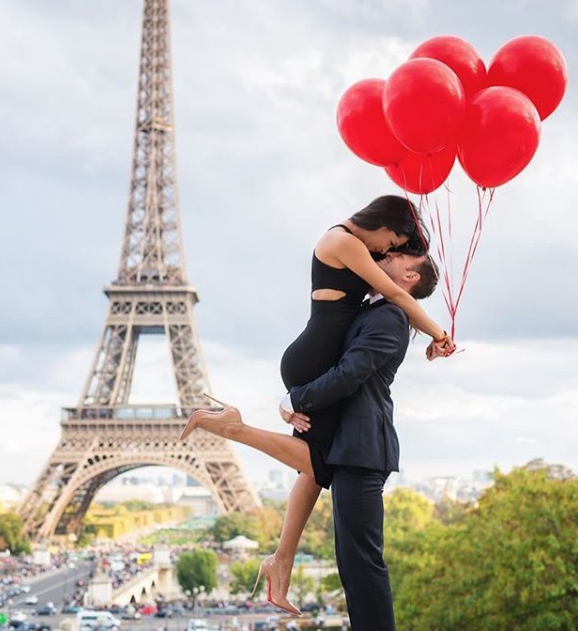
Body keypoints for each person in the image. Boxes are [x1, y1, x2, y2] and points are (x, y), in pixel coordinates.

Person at [179, 246, 440, 627]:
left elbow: (351, 372)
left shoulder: (390, 318)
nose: (384, 256)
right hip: (348, 439)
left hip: (361, 446)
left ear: (410, 277)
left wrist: (294, 398)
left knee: (362, 565)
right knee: (354, 562)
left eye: (397, 256)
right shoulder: (373, 309)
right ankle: (238, 435)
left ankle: (236, 429)